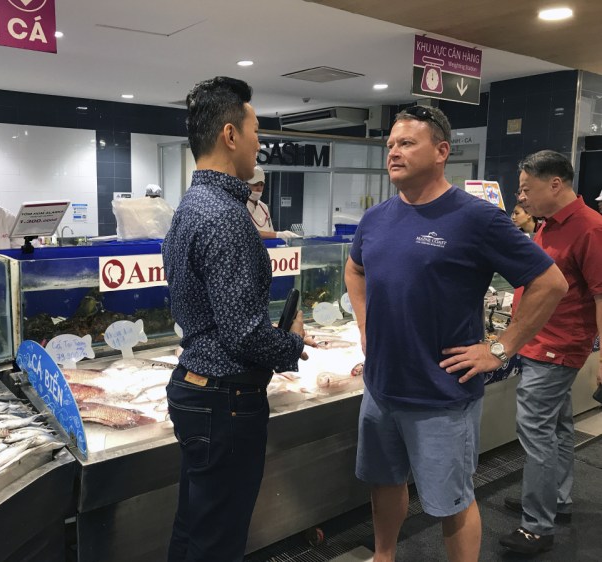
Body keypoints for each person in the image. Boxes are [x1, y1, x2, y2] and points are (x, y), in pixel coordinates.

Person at [345, 106, 567, 562]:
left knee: (453, 501)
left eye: (407, 143)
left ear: (442, 151)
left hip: (442, 393)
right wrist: (367, 328)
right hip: (381, 388)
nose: (394, 152)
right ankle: (384, 555)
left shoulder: (477, 218)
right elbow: (355, 269)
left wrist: (499, 348)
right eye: (390, 145)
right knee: (384, 482)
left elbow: (550, 284)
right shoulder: (376, 218)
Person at [161, 76, 313, 562]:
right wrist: (291, 343)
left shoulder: (192, 205)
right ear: (230, 135)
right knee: (217, 539)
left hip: (199, 387)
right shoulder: (225, 216)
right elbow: (244, 333)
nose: (258, 144)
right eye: (255, 132)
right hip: (225, 398)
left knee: (194, 527)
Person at [499, 150, 602, 555]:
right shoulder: (548, 226)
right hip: (539, 342)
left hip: (558, 347)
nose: (521, 197)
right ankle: (555, 500)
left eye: (527, 188)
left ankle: (536, 525)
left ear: (554, 183)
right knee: (557, 427)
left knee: (535, 432)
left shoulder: (589, 228)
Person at [246, 165, 299, 241]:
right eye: (255, 185)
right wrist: (279, 234)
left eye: (262, 185)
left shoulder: (264, 207)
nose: (259, 188)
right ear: (246, 185)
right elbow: (248, 233)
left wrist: (281, 236)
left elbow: (270, 232)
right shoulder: (240, 207)